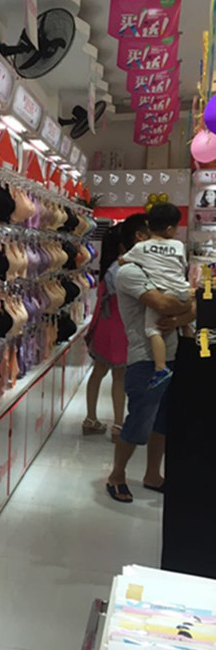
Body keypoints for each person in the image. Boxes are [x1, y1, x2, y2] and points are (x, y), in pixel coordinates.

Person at [106, 214, 196, 503]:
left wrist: (182, 313)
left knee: (163, 421)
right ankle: (116, 475)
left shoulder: (164, 269)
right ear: (140, 239)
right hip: (144, 359)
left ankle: (152, 474)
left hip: (173, 354)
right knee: (139, 422)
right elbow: (164, 303)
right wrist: (185, 305)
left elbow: (191, 307)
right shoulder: (129, 272)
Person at [120, 203, 192, 390]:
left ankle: (160, 368)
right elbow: (182, 266)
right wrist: (183, 311)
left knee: (153, 329)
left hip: (164, 293)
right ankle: (189, 341)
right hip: (182, 290)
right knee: (185, 316)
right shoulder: (178, 245)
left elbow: (123, 260)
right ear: (170, 229)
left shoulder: (141, 249)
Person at [83, 223, 128, 441]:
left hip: (104, 325)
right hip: (120, 326)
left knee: (98, 372)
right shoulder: (121, 269)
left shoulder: (108, 267)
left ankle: (90, 419)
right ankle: (118, 425)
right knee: (119, 376)